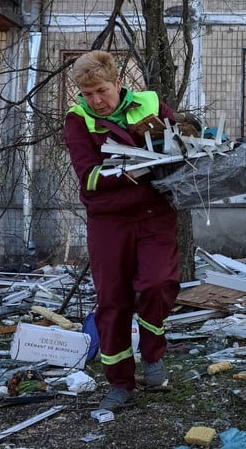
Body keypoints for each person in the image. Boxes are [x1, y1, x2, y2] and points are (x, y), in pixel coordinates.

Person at [64, 50, 180, 410]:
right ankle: (119, 384)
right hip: (109, 222)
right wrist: (129, 170)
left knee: (158, 283)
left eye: (102, 90)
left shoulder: (149, 104)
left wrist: (182, 137)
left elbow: (179, 144)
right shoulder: (77, 120)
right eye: (88, 94)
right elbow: (89, 175)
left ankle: (153, 354)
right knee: (113, 302)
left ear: (118, 83)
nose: (96, 101)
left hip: (154, 215)